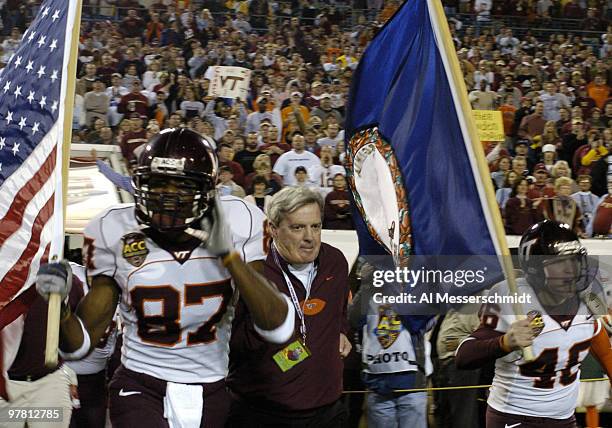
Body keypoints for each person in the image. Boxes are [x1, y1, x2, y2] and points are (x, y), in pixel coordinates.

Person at [36, 128, 294, 427]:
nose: (167, 197)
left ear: (207, 191)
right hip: (140, 381)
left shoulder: (240, 218)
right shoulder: (113, 227)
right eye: (157, 184)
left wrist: (228, 255)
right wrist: (62, 308)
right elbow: (78, 346)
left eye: (180, 186)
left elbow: (277, 326)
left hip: (211, 383)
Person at [456, 220, 612, 428]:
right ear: (535, 268)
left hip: (564, 418)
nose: (571, 270)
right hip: (514, 417)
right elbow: (463, 356)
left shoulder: (588, 297)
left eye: (574, 260)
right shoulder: (512, 296)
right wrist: (504, 343)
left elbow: (599, 342)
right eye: (560, 263)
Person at [227, 186, 351, 427]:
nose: (310, 237)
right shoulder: (254, 273)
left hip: (328, 410)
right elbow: (231, 343)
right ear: (273, 229)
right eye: (297, 227)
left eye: (315, 226)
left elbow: (339, 311)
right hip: (264, 412)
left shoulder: (335, 263)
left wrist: (341, 330)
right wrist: (268, 329)